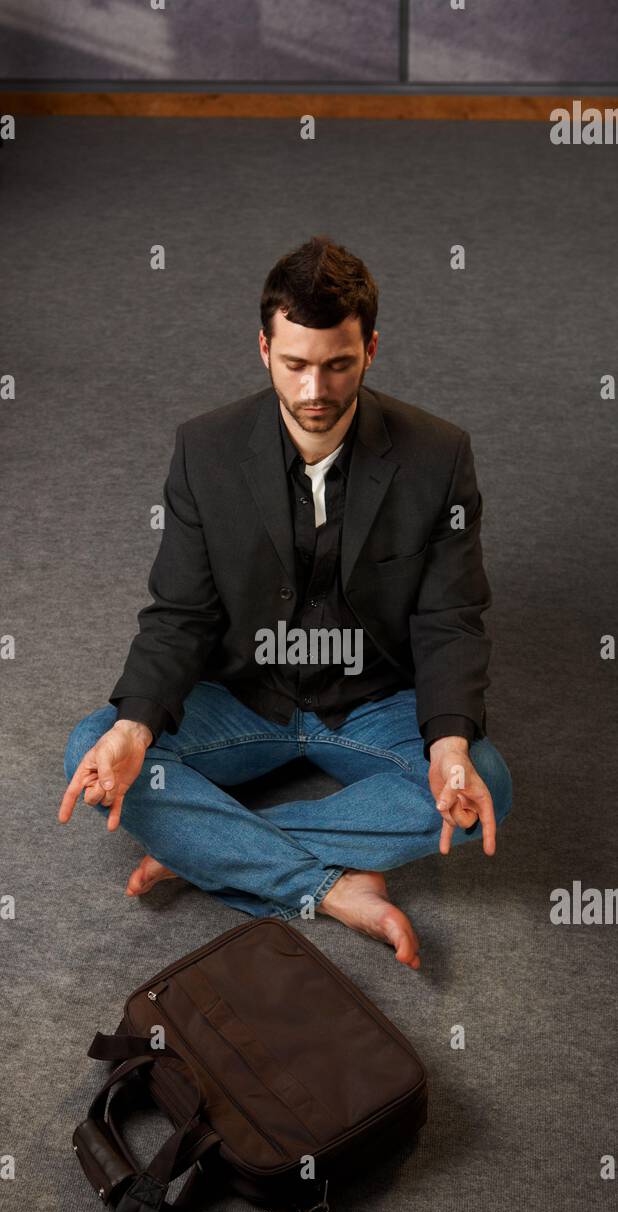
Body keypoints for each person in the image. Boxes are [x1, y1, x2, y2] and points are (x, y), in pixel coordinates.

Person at [59, 235, 513, 971]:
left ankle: (209, 850)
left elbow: (449, 618)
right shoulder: (204, 450)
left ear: (371, 350)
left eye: (337, 364)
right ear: (263, 350)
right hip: (244, 696)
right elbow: (180, 615)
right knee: (94, 748)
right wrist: (137, 727)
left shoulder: (439, 457)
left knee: (484, 781)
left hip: (373, 701)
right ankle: (327, 888)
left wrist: (450, 746)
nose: (314, 391)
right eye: (295, 364)